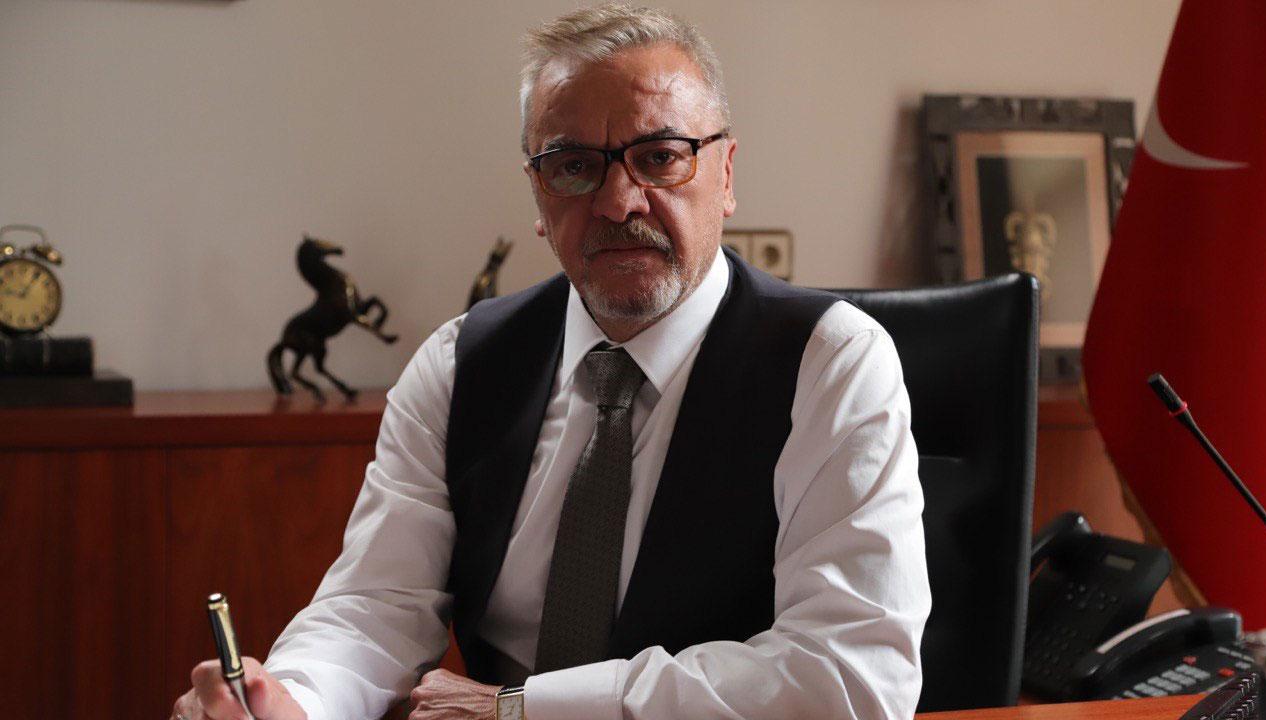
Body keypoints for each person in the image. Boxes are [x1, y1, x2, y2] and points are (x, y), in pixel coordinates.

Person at [171, 4, 930, 719]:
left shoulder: (829, 365)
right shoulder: (458, 365)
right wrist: (291, 701)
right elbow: (374, 606)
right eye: (573, 166)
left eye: (660, 157)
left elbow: (851, 676)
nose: (618, 201)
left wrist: (526, 708)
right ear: (537, 193)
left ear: (725, 174)